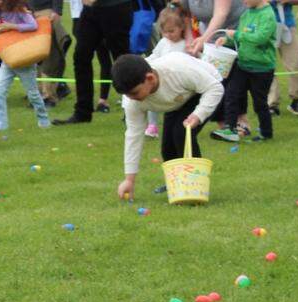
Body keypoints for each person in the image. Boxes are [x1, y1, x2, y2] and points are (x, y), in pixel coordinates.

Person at [112, 53, 223, 199]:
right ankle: (175, 184)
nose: (131, 98)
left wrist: (198, 114)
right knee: (168, 148)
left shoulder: (178, 70)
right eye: (127, 95)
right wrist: (129, 179)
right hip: (175, 100)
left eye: (134, 93)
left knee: (181, 133)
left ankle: (195, 188)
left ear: (150, 79)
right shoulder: (132, 101)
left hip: (205, 89)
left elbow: (215, 88)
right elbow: (134, 136)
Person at [54, 0, 133, 125]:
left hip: (116, 7)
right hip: (91, 9)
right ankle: (82, 112)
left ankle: (132, 111)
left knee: (123, 60)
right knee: (81, 57)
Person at [213, 0, 276, 142]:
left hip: (262, 68)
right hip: (243, 65)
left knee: (260, 103)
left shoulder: (268, 15)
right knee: (231, 93)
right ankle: (230, 129)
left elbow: (260, 38)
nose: (243, 1)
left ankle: (266, 133)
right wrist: (226, 40)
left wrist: (235, 35)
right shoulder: (246, 14)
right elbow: (240, 39)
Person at [0, 0, 50, 131]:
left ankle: (43, 120)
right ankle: (0, 124)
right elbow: (1, 25)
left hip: (24, 59)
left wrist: (11, 26)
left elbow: (33, 25)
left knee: (33, 93)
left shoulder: (20, 10)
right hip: (8, 58)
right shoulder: (3, 11)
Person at [143, 7, 188, 137]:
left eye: (172, 31)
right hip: (162, 79)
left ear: (181, 27)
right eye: (164, 32)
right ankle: (152, 125)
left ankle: (182, 124)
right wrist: (145, 63)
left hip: (178, 83)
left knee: (178, 107)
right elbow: (155, 55)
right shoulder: (163, 42)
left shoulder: (185, 44)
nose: (168, 34)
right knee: (152, 98)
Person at [267, 0, 298, 115]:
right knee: (267, 64)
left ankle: (297, 100)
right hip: (264, 24)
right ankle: (271, 103)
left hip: (287, 25)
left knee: (296, 62)